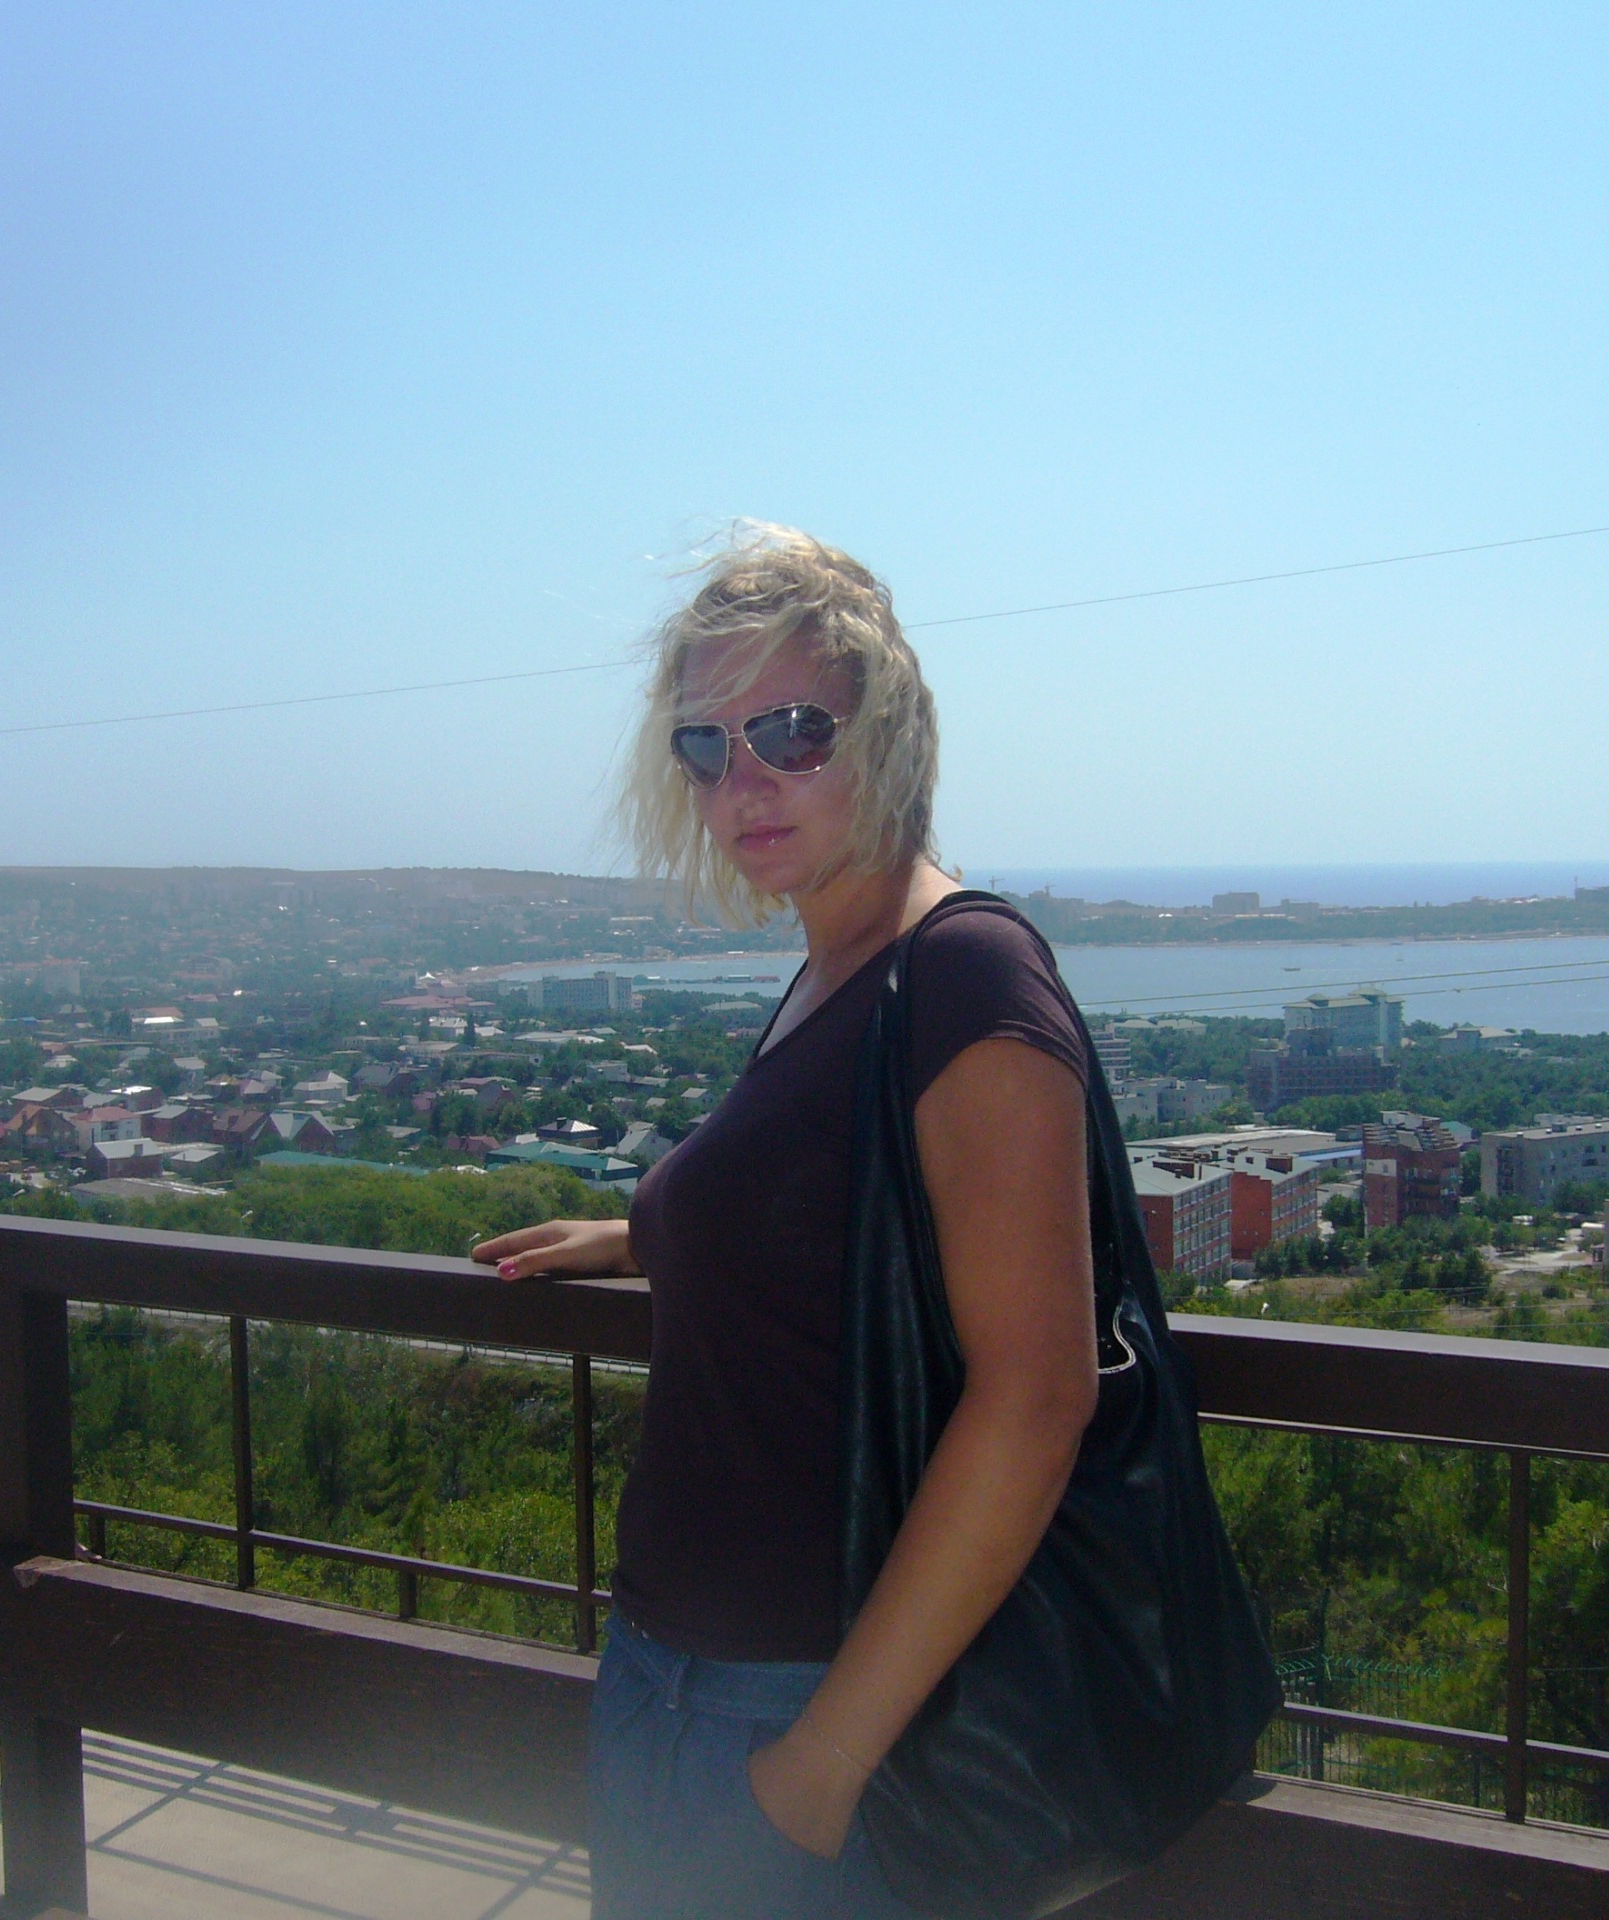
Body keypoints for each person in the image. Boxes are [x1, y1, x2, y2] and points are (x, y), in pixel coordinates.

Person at [475, 528, 1104, 1918]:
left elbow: (1039, 1396)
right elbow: (840, 1216)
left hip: (807, 1715)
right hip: (677, 1678)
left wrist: (820, 1768)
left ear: (889, 731)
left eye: (791, 731)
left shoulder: (967, 974)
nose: (741, 781)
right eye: (706, 746)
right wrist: (652, 1234)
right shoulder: (839, 966)